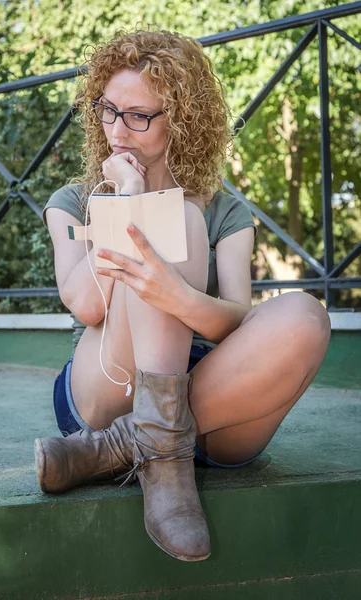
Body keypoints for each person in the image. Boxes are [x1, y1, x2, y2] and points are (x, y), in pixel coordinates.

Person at [34, 28, 331, 561]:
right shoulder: (72, 199)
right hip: (108, 381)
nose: (117, 131)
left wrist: (179, 298)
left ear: (182, 120)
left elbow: (237, 321)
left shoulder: (226, 211)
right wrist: (128, 201)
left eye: (138, 115)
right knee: (177, 219)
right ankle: (156, 450)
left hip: (213, 399)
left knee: (307, 317)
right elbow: (85, 304)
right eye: (108, 110)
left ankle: (134, 444)